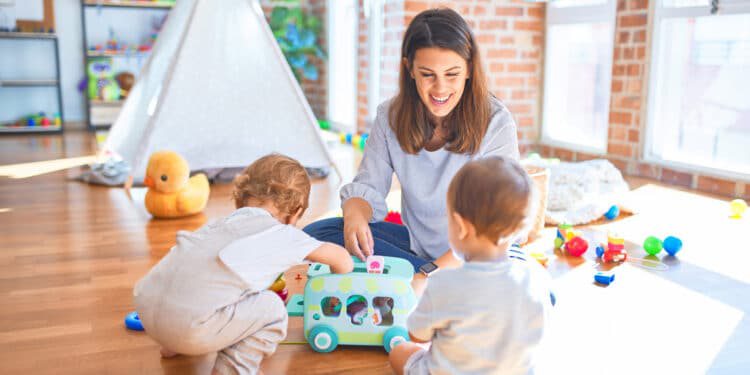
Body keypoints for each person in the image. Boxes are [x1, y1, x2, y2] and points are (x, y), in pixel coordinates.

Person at [303, 8, 520, 281]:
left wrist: (430, 273)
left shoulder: (496, 123)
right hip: (418, 249)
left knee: (529, 288)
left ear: (469, 69)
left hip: (478, 254)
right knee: (317, 235)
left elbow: (499, 226)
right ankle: (433, 283)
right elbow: (369, 186)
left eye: (452, 74)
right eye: (428, 74)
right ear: (410, 70)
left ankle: (427, 280)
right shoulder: (390, 116)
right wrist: (355, 217)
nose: (440, 89)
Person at [133, 154, 353, 375]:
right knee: (273, 309)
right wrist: (337, 276)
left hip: (146, 305)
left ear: (242, 196)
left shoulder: (220, 225)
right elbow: (342, 260)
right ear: (295, 213)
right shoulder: (283, 234)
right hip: (189, 329)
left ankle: (172, 343)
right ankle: (232, 370)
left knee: (209, 281)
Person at [389, 156, 553, 375]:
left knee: (400, 352)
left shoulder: (443, 284)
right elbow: (537, 337)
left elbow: (417, 335)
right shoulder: (536, 279)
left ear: (461, 227)